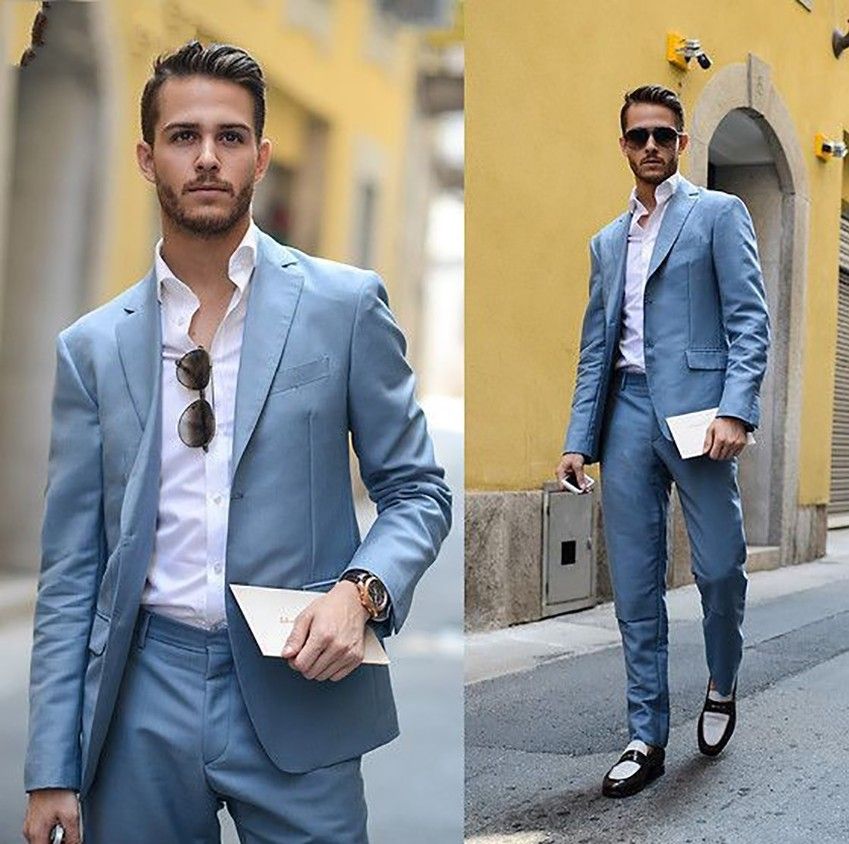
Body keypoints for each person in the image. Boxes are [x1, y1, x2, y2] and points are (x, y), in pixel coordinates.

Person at [22, 40, 451, 843]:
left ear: (262, 154)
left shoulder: (345, 307)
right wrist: (52, 767)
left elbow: (417, 490)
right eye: (184, 137)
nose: (208, 157)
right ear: (148, 159)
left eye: (230, 136)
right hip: (142, 697)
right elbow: (72, 569)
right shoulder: (91, 348)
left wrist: (358, 594)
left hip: (301, 686)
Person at [555, 85, 770, 798]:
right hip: (625, 415)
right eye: (638, 135)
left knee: (717, 567)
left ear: (681, 144)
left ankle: (721, 680)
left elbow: (748, 320)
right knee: (636, 586)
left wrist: (736, 410)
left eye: (663, 135)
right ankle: (645, 733)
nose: (650, 146)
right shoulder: (604, 242)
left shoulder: (717, 214)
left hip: (699, 419)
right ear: (622, 145)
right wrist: (576, 439)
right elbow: (595, 350)